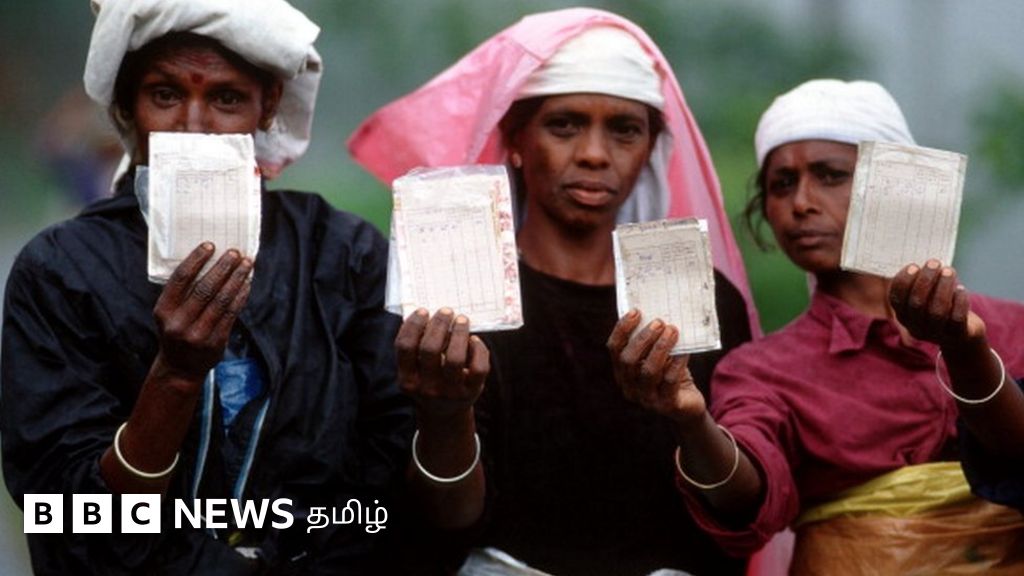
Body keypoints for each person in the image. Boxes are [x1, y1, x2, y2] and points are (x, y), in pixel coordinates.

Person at [1, 1, 411, 574]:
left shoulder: (343, 256)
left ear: (268, 107)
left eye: (226, 99)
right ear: (125, 106)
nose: (194, 125)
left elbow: (387, 494)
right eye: (165, 95)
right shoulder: (61, 272)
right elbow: (64, 513)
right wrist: (175, 374)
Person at [349, 8, 759, 575]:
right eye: (564, 125)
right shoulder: (459, 306)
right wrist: (447, 414)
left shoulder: (699, 302)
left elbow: (741, 511)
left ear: (650, 151)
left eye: (624, 129)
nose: (594, 153)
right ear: (515, 140)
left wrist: (692, 420)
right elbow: (446, 520)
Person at [609, 78, 1024, 574]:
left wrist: (965, 349)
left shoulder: (1011, 329)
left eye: (829, 175)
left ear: (893, 187)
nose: (801, 202)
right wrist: (691, 421)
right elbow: (747, 500)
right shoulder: (765, 370)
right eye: (781, 184)